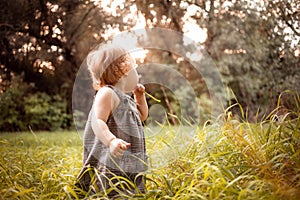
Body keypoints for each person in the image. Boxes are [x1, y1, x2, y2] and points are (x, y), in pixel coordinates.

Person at [76, 44, 148, 198]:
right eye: (135, 68)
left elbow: (141, 117)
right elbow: (97, 121)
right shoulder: (107, 93)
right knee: (110, 188)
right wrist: (111, 141)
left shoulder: (126, 100)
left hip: (130, 158)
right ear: (123, 71)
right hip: (111, 158)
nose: (138, 74)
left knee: (129, 188)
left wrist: (140, 98)